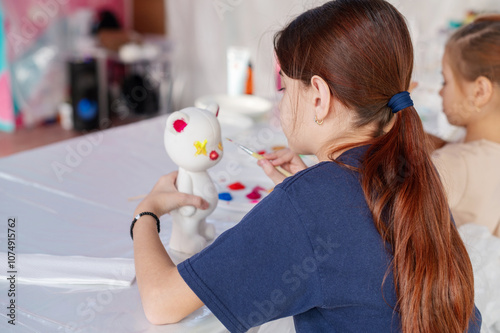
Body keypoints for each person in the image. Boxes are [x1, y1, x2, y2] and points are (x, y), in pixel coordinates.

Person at [131, 1, 481, 332]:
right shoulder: (416, 173)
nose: (279, 105)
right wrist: (315, 191)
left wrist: (146, 214)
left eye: (284, 88)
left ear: (319, 96)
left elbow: (161, 302)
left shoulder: (308, 204)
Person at [429, 15, 500, 237]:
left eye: (445, 81)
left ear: (479, 92)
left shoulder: (454, 165)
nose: (440, 92)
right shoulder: (483, 156)